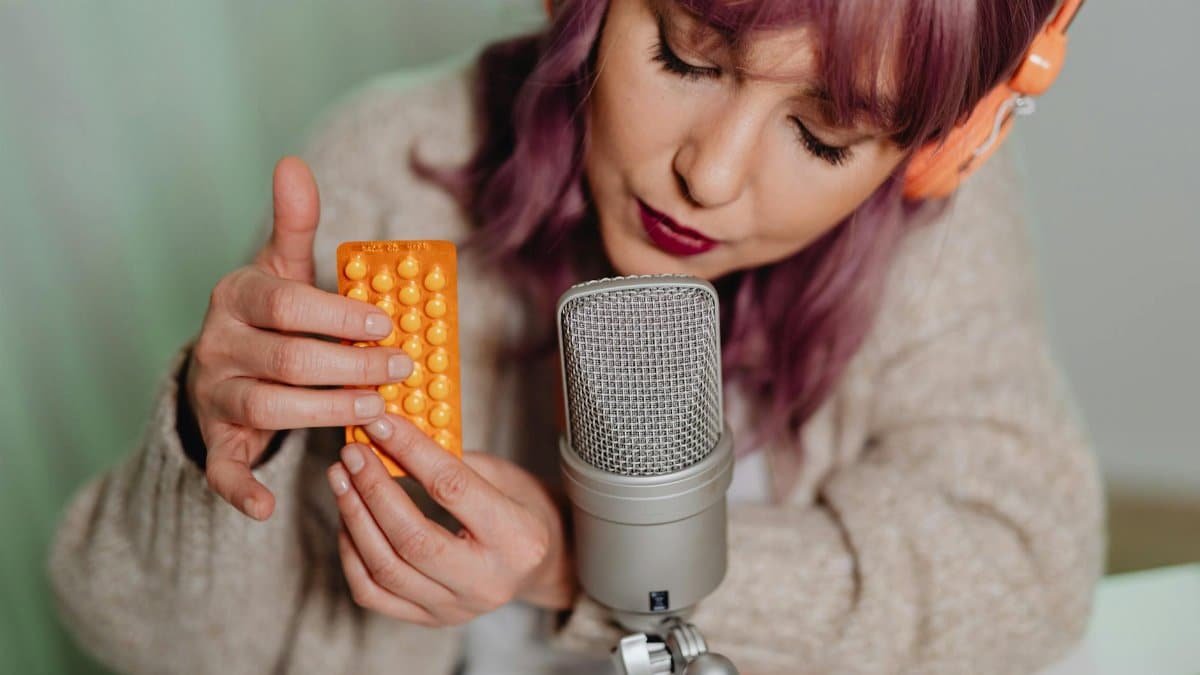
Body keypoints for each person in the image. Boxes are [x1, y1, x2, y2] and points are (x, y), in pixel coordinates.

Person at [46, 0, 1104, 673]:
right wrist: (207, 448)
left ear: (938, 152)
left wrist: (579, 561)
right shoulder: (391, 171)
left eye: (824, 137)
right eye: (689, 57)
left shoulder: (936, 230)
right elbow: (164, 648)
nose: (713, 175)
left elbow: (1027, 569)